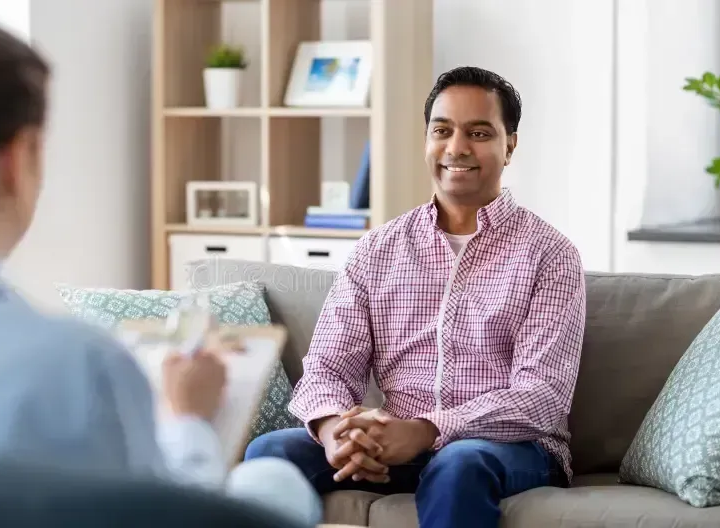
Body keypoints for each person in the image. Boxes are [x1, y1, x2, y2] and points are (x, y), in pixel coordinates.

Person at [0, 14, 319, 527]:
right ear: (18, 159)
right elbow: (165, 515)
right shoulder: (76, 365)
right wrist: (188, 421)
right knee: (274, 484)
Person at [245, 65, 587, 528]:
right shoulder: (377, 249)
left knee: (459, 462)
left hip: (508, 449)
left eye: (479, 133)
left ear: (510, 145)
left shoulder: (550, 254)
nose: (456, 148)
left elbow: (542, 396)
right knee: (270, 453)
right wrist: (335, 431)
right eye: (442, 131)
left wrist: (428, 430)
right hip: (395, 442)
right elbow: (327, 367)